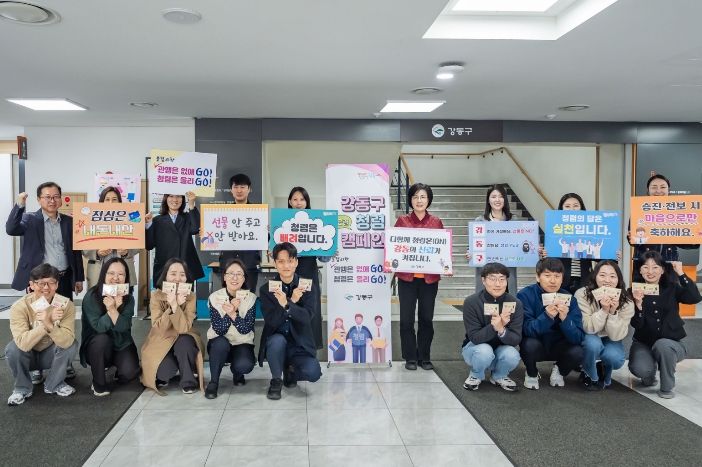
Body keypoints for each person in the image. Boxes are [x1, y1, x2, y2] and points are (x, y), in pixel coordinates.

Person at [628, 251, 701, 399]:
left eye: (655, 267)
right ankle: (649, 373)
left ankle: (667, 387)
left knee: (663, 345)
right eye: (645, 267)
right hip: (644, 343)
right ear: (640, 270)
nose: (650, 271)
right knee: (641, 369)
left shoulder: (672, 288)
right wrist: (639, 306)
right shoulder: (633, 292)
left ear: (662, 270)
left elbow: (695, 297)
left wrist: (681, 273)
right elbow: (636, 324)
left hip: (671, 344)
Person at [5, 264, 78, 405]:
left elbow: (67, 341)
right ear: (32, 285)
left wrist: (50, 325)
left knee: (71, 344)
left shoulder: (65, 305)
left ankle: (54, 384)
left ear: (57, 285)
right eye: (41, 283)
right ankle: (22, 388)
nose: (46, 287)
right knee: (12, 348)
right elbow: (22, 343)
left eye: (51, 282)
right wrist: (46, 322)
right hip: (28, 355)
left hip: (50, 354)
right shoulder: (19, 306)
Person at [258, 242, 322, 400]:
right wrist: (290, 301)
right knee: (277, 341)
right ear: (275, 263)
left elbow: (307, 318)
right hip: (277, 340)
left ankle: (290, 370)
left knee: (313, 373)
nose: (286, 265)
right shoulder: (266, 289)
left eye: (290, 261)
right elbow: (272, 322)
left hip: (300, 343)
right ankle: (276, 380)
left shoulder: (308, 287)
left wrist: (288, 304)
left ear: (296, 262)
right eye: (281, 261)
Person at [394, 182, 446, 371]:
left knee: (426, 318)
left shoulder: (436, 222)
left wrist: (445, 264)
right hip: (406, 279)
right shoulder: (402, 221)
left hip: (429, 280)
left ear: (429, 199)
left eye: (423, 197)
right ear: (410, 200)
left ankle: (424, 356)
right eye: (415, 197)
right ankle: (410, 356)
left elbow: (442, 250)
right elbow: (394, 247)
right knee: (406, 319)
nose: (419, 200)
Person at [5, 182, 84, 301]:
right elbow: (11, 229)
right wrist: (19, 205)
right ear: (39, 199)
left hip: (64, 279)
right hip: (40, 281)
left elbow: (76, 252)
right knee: (40, 312)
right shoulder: (29, 219)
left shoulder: (69, 221)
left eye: (56, 196)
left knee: (63, 311)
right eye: (47, 197)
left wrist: (78, 278)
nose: (52, 200)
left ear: (60, 199)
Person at [517, 258, 584, 390]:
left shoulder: (569, 299)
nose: (553, 281)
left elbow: (578, 337)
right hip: (537, 344)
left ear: (562, 278)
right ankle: (531, 372)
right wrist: (547, 316)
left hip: (559, 346)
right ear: (538, 277)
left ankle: (560, 370)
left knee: (579, 351)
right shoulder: (525, 295)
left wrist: (565, 319)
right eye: (547, 275)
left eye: (557, 276)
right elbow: (526, 329)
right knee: (529, 344)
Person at [141, 259, 205, 394]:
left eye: (182, 274)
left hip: (183, 338)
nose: (177, 278)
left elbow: (184, 328)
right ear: (165, 275)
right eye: (173, 274)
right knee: (164, 373)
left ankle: (188, 380)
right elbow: (158, 327)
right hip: (162, 339)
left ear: (187, 278)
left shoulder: (191, 296)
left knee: (185, 341)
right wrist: (172, 307)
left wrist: (176, 307)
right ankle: (178, 365)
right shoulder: (156, 296)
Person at [79, 258, 140, 396]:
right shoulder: (92, 296)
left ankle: (116, 366)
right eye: (111, 273)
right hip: (97, 345)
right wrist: (111, 310)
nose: (116, 278)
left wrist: (113, 309)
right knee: (102, 340)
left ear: (126, 277)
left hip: (121, 343)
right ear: (104, 275)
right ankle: (98, 383)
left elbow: (124, 326)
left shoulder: (129, 298)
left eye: (121, 274)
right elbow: (99, 328)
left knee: (130, 373)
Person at [541, 193, 621, 295]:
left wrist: (613, 255)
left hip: (585, 279)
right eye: (567, 206)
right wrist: (544, 254)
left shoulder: (591, 227)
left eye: (576, 206)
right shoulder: (554, 229)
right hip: (561, 279)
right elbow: (549, 259)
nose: (572, 209)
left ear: (581, 208)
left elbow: (600, 255)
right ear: (561, 209)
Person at [461, 263, 523, 392]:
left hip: (501, 348)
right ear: (483, 280)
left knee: (512, 354)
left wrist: (501, 329)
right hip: (475, 348)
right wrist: (494, 326)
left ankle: (499, 375)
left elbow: (516, 339)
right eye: (492, 279)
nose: (498, 284)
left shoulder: (515, 303)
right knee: (484, 351)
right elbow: (475, 338)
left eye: (502, 279)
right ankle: (476, 374)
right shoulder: (471, 302)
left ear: (507, 281)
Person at [575, 260, 634, 390]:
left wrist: (612, 313)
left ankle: (603, 367)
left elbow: (617, 336)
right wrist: (603, 311)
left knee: (615, 358)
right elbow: (587, 327)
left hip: (610, 337)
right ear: (595, 276)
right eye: (602, 275)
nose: (607, 280)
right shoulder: (582, 294)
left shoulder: (627, 301)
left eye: (612, 276)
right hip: (590, 334)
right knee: (592, 344)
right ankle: (590, 375)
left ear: (618, 279)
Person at [205, 258, 257, 399]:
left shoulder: (251, 298)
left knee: (245, 365)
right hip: (219, 343)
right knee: (220, 343)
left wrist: (234, 314)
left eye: (239, 274)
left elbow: (245, 329)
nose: (235, 278)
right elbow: (219, 330)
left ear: (244, 278)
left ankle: (237, 373)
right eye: (231, 273)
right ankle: (213, 382)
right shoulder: (215, 297)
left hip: (242, 342)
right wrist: (230, 313)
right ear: (224, 277)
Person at [628, 174, 698, 275]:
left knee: (669, 286)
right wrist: (631, 238)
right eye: (654, 187)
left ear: (668, 190)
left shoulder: (678, 211)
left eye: (663, 187)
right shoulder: (639, 209)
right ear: (648, 190)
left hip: (669, 263)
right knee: (643, 286)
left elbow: (684, 240)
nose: (658, 190)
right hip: (644, 264)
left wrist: (694, 238)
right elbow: (635, 240)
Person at [287, 186, 326, 349]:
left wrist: (329, 248)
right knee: (289, 308)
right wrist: (271, 236)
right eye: (295, 199)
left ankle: (311, 351)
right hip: (288, 275)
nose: (298, 203)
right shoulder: (282, 223)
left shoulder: (316, 223)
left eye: (302, 199)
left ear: (307, 202)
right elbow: (275, 253)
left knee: (311, 312)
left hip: (309, 272)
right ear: (289, 202)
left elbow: (324, 258)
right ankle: (290, 349)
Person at [82, 186, 139, 289]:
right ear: (101, 202)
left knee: (123, 299)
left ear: (120, 202)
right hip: (98, 274)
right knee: (98, 299)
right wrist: (97, 253)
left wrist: (127, 251)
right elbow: (84, 248)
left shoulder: (130, 218)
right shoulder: (90, 219)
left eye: (114, 199)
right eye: (107, 199)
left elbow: (138, 244)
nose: (111, 202)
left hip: (123, 274)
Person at [466, 184, 518, 295]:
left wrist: (533, 251)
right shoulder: (480, 221)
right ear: (488, 200)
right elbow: (471, 247)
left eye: (500, 196)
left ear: (505, 199)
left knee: (508, 303)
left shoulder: (513, 220)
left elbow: (521, 244)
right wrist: (470, 253)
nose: (497, 200)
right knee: (485, 303)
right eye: (493, 197)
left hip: (507, 273)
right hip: (486, 272)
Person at [145, 191, 204, 289]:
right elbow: (149, 245)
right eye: (171, 196)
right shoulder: (157, 220)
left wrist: (191, 204)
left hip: (185, 268)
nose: (175, 200)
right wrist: (148, 224)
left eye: (178, 196)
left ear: (182, 199)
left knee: (185, 298)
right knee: (165, 298)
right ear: (166, 198)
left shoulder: (188, 217)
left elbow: (195, 229)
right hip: (164, 269)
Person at [219, 174, 262, 292]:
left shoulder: (258, 212)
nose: (239, 190)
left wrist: (265, 231)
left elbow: (264, 239)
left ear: (249, 189)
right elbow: (216, 236)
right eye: (236, 187)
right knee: (227, 299)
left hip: (250, 265)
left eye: (242, 187)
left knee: (248, 298)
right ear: (231, 190)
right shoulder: (222, 213)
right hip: (227, 264)